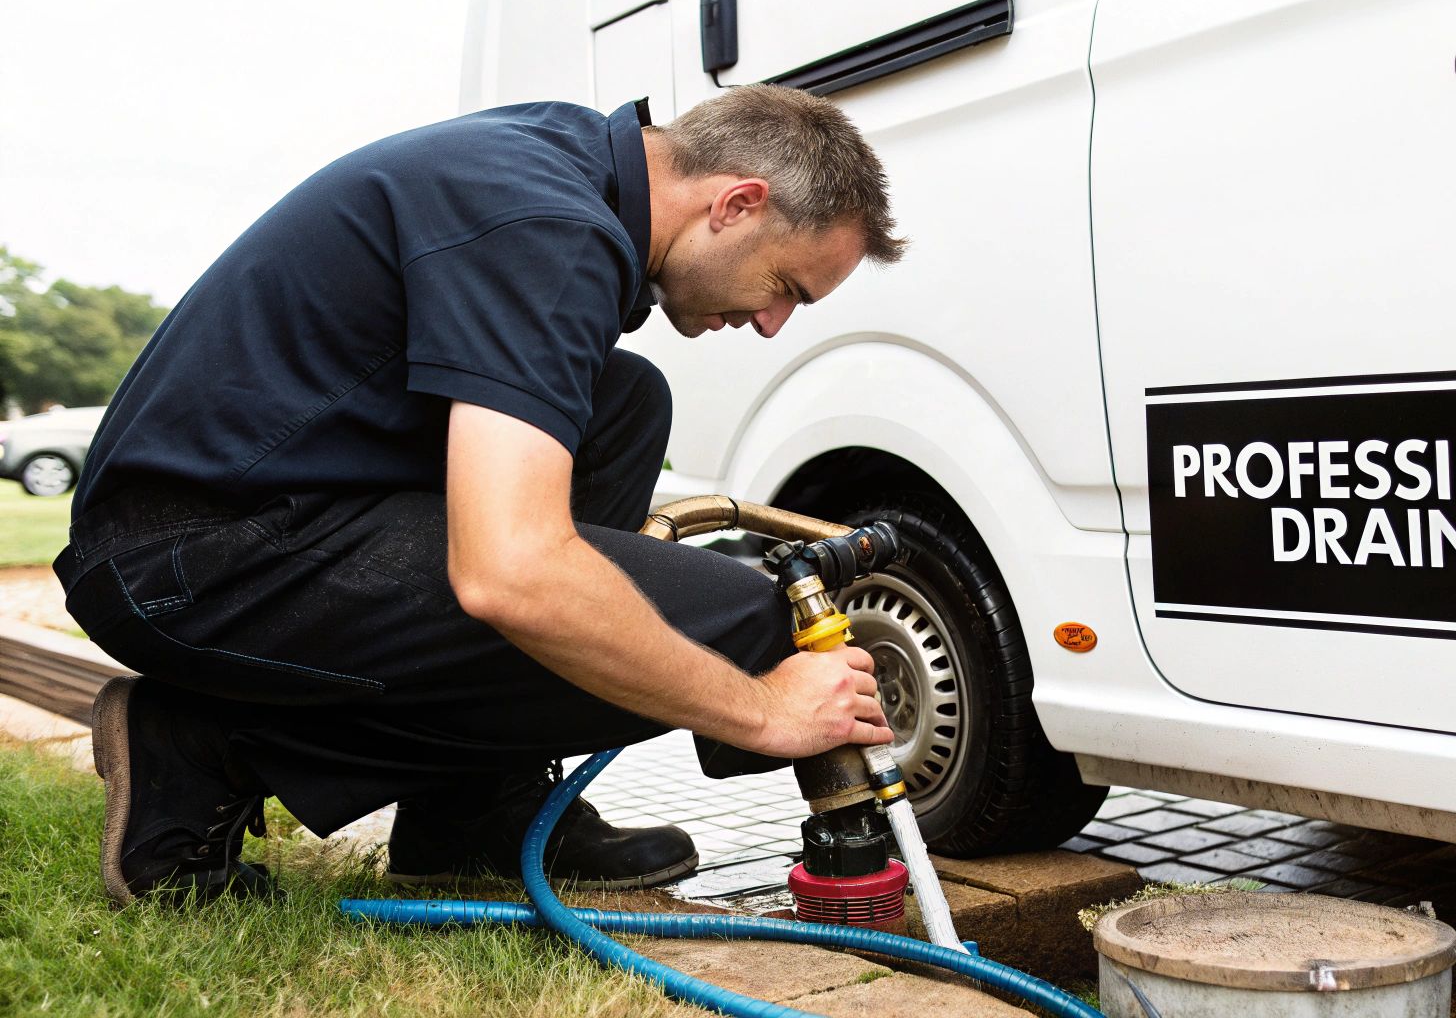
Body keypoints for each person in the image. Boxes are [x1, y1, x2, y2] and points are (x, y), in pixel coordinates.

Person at [56, 85, 908, 906]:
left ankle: (472, 809)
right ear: (736, 204)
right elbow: (515, 574)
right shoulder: (550, 226)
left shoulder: (559, 168)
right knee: (741, 627)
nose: (771, 324)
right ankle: (210, 749)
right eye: (786, 288)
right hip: (188, 558)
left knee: (622, 403)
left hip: (239, 518)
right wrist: (764, 708)